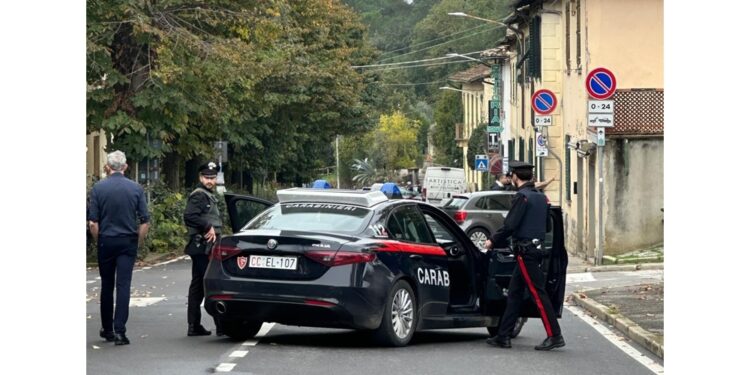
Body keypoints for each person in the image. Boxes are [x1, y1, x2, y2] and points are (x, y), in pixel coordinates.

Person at [484, 161, 565, 351]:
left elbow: (510, 225)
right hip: (536, 250)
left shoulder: (522, 197)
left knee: (538, 293)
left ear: (515, 176)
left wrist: (492, 240)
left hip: (525, 252)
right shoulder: (541, 198)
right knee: (514, 293)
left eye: (511, 175)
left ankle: (555, 335)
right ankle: (503, 336)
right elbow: (546, 226)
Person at [88, 151, 150, 346]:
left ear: (108, 167)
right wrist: (137, 240)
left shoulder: (98, 188)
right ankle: (120, 331)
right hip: (127, 241)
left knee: (107, 285)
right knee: (123, 285)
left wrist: (99, 239)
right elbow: (145, 220)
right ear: (125, 167)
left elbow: (92, 223)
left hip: (107, 240)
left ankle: (107, 329)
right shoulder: (136, 189)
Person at [183, 162, 224, 336]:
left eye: (212, 178)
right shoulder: (199, 195)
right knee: (211, 283)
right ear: (200, 177)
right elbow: (189, 216)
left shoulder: (207, 194)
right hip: (203, 246)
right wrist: (207, 226)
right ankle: (221, 326)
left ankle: (194, 325)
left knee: (199, 285)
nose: (210, 181)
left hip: (203, 246)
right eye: (207, 178)